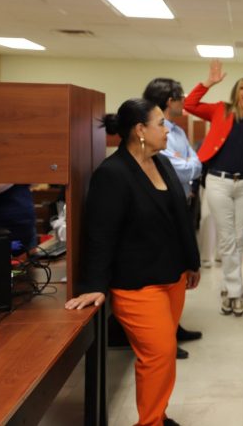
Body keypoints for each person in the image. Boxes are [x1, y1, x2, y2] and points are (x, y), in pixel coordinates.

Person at [65, 98, 201, 426]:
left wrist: (191, 262)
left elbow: (180, 218)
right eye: (160, 124)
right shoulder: (113, 173)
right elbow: (100, 234)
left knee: (163, 356)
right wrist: (95, 285)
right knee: (159, 354)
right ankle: (150, 422)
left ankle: (158, 415)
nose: (167, 130)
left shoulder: (161, 162)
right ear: (140, 130)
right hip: (137, 285)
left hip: (172, 277)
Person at [184, 60, 243, 316]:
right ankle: (235, 292)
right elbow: (190, 104)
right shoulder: (220, 110)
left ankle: (228, 286)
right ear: (236, 93)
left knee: (238, 238)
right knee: (227, 238)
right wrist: (208, 83)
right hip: (218, 182)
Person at [143, 77, 204, 353]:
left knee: (180, 271)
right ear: (170, 101)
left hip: (185, 204)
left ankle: (174, 325)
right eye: (181, 98)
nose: (184, 103)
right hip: (166, 207)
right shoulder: (154, 131)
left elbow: (196, 163)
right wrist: (190, 163)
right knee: (167, 272)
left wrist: (189, 163)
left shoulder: (177, 130)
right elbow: (177, 168)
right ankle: (165, 337)